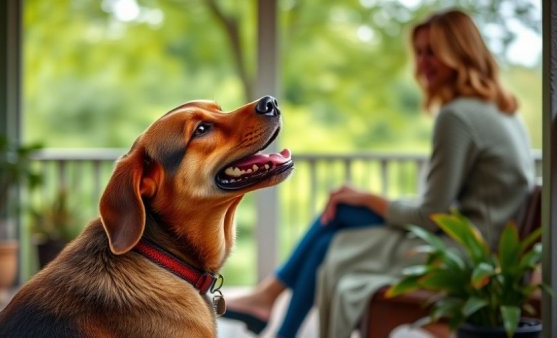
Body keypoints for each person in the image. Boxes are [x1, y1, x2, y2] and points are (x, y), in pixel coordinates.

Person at [221, 8, 535, 338]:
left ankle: (269, 302)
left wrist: (368, 199)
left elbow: (431, 216)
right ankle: (270, 308)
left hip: (461, 257)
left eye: (432, 51)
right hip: (485, 249)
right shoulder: (503, 111)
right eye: (419, 52)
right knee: (335, 225)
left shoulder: (457, 117)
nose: (422, 63)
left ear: (459, 52)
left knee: (337, 221)